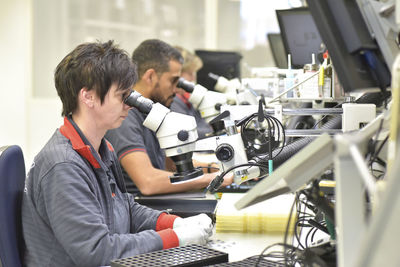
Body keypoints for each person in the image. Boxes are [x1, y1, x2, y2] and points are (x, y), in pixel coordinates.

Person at [22, 40, 213, 267]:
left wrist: (173, 223)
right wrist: (174, 238)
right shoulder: (63, 166)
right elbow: (97, 252)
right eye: (123, 95)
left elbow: (126, 209)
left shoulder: (102, 149)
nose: (129, 105)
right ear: (88, 97)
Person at [105, 39, 232, 195]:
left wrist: (220, 168)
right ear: (150, 76)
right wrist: (213, 178)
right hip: (141, 208)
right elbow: (148, 182)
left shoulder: (156, 112)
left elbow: (172, 166)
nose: (177, 89)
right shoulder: (126, 117)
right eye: (173, 81)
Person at [170, 46, 213, 139]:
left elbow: (202, 124)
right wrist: (217, 131)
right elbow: (190, 131)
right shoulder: (172, 101)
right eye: (190, 73)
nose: (193, 78)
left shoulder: (186, 99)